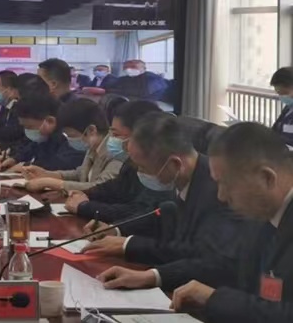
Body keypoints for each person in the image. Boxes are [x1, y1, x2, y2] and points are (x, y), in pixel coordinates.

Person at [99, 123, 293, 323]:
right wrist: (152, 276)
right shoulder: (262, 212)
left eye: (226, 184)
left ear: (266, 178)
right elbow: (226, 264)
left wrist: (215, 298)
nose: (221, 196)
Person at [81, 113, 244, 291]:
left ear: (175, 164)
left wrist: (150, 275)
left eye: (142, 167)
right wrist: (116, 229)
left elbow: (203, 257)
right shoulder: (182, 177)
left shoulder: (219, 193)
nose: (139, 173)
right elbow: (161, 215)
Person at [65, 100, 169, 221]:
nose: (111, 139)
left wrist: (85, 206)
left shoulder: (159, 168)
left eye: (116, 135)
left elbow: (139, 211)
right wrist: (86, 193)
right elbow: (115, 188)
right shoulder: (130, 162)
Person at [22, 98, 124, 193]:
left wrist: (53, 183)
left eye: (71, 135)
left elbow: (100, 187)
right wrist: (47, 174)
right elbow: (80, 174)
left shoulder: (115, 151)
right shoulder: (94, 145)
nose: (69, 140)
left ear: (91, 130)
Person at [3, 94, 83, 172]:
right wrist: (14, 159)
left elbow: (62, 164)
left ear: (49, 121)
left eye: (29, 127)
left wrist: (27, 166)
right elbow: (31, 149)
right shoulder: (45, 136)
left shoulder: (70, 135)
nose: (27, 130)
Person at [103, 59, 168, 101]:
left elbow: (141, 93)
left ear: (144, 68)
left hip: (151, 104)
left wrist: (110, 91)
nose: (128, 69)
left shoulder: (152, 78)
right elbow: (111, 86)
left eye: (133, 67)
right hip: (130, 101)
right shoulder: (127, 78)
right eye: (125, 67)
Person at [270, 66, 293, 145]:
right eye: (279, 93)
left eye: (285, 93)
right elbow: (275, 130)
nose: (282, 97)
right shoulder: (288, 108)